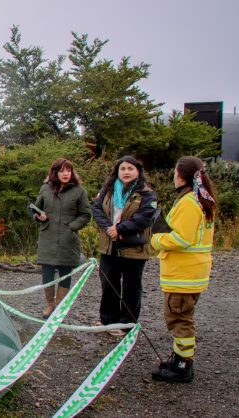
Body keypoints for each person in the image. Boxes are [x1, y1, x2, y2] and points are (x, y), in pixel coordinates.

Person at [150, 156, 217, 383]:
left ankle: (182, 366)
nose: (173, 176)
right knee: (182, 316)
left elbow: (181, 238)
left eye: (175, 172)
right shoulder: (202, 199)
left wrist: (156, 239)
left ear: (182, 175)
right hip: (192, 272)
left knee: (179, 318)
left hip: (183, 274)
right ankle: (179, 358)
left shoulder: (189, 202)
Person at [92, 156, 157, 336]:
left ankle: (127, 323)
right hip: (109, 245)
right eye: (123, 169)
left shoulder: (146, 193)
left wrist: (120, 229)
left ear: (138, 171)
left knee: (131, 286)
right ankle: (107, 320)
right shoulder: (108, 189)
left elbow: (145, 217)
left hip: (133, 248)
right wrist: (109, 228)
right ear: (117, 171)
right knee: (108, 283)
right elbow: (97, 209)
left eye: (130, 168)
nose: (126, 172)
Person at [32, 158, 92, 319]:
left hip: (68, 238)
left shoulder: (79, 191)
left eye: (68, 170)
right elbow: (36, 209)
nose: (65, 174)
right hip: (47, 237)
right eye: (61, 171)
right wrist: (40, 216)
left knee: (66, 271)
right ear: (55, 173)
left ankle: (59, 306)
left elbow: (86, 214)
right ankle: (50, 304)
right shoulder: (45, 188)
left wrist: (72, 227)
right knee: (47, 272)